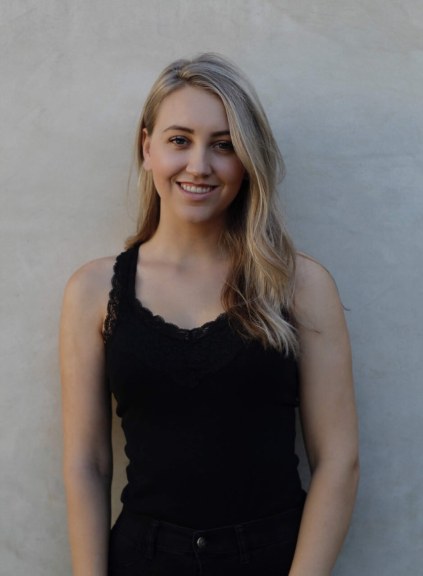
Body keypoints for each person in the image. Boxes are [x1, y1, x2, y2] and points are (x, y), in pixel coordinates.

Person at [60, 53, 359, 576]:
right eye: (180, 140)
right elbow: (87, 464)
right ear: (146, 146)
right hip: (143, 558)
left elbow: (338, 462)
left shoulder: (301, 286)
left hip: (273, 558)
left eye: (224, 145)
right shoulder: (92, 290)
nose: (200, 165)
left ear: (248, 160)